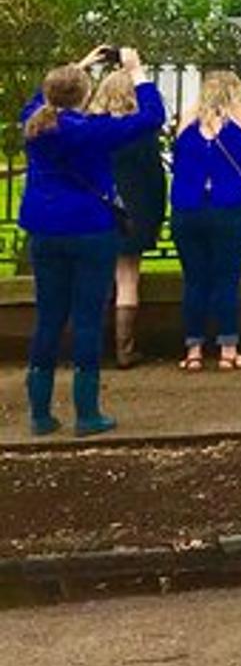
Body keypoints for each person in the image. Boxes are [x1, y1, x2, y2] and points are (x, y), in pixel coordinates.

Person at [17, 47, 167, 436]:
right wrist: (137, 72)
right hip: (89, 228)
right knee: (86, 318)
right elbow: (152, 117)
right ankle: (86, 412)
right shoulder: (92, 131)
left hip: (45, 229)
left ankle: (40, 412)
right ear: (83, 94)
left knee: (48, 318)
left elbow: (42, 97)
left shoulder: (35, 124)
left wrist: (78, 66)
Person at [169, 70, 241, 371]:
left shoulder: (188, 119)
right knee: (227, 279)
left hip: (187, 208)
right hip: (229, 207)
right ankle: (228, 350)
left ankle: (193, 351)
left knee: (194, 280)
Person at [89, 69, 168, 369]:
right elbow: (155, 179)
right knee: (127, 277)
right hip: (134, 211)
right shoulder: (141, 132)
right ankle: (125, 348)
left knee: (95, 278)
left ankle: (92, 346)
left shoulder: (92, 128)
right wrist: (156, 216)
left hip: (96, 208)